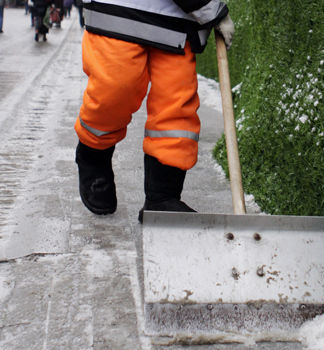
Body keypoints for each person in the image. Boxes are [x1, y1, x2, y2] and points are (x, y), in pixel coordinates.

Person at [74, 0, 234, 222]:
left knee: (176, 109)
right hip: (120, 11)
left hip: (179, 22)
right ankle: (93, 154)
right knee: (114, 93)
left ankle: (163, 196)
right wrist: (212, 10)